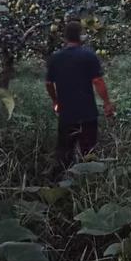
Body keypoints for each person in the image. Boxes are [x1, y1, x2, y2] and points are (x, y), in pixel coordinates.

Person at [45, 20, 115, 169]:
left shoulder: (55, 58)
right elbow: (98, 81)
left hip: (66, 114)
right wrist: (107, 103)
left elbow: (49, 84)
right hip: (87, 114)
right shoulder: (88, 56)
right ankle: (88, 184)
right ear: (80, 36)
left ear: (64, 37)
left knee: (64, 153)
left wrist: (55, 101)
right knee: (88, 152)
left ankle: (60, 183)